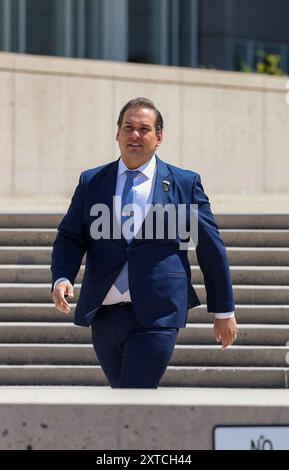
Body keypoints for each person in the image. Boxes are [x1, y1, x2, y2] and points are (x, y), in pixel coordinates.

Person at [51, 97, 238, 388]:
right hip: (105, 313)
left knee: (133, 392)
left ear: (159, 137)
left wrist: (223, 310)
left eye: (144, 128)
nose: (134, 135)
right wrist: (62, 276)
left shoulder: (183, 184)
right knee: (125, 401)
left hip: (158, 313)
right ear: (117, 133)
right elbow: (70, 238)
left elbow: (210, 248)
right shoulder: (92, 182)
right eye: (128, 127)